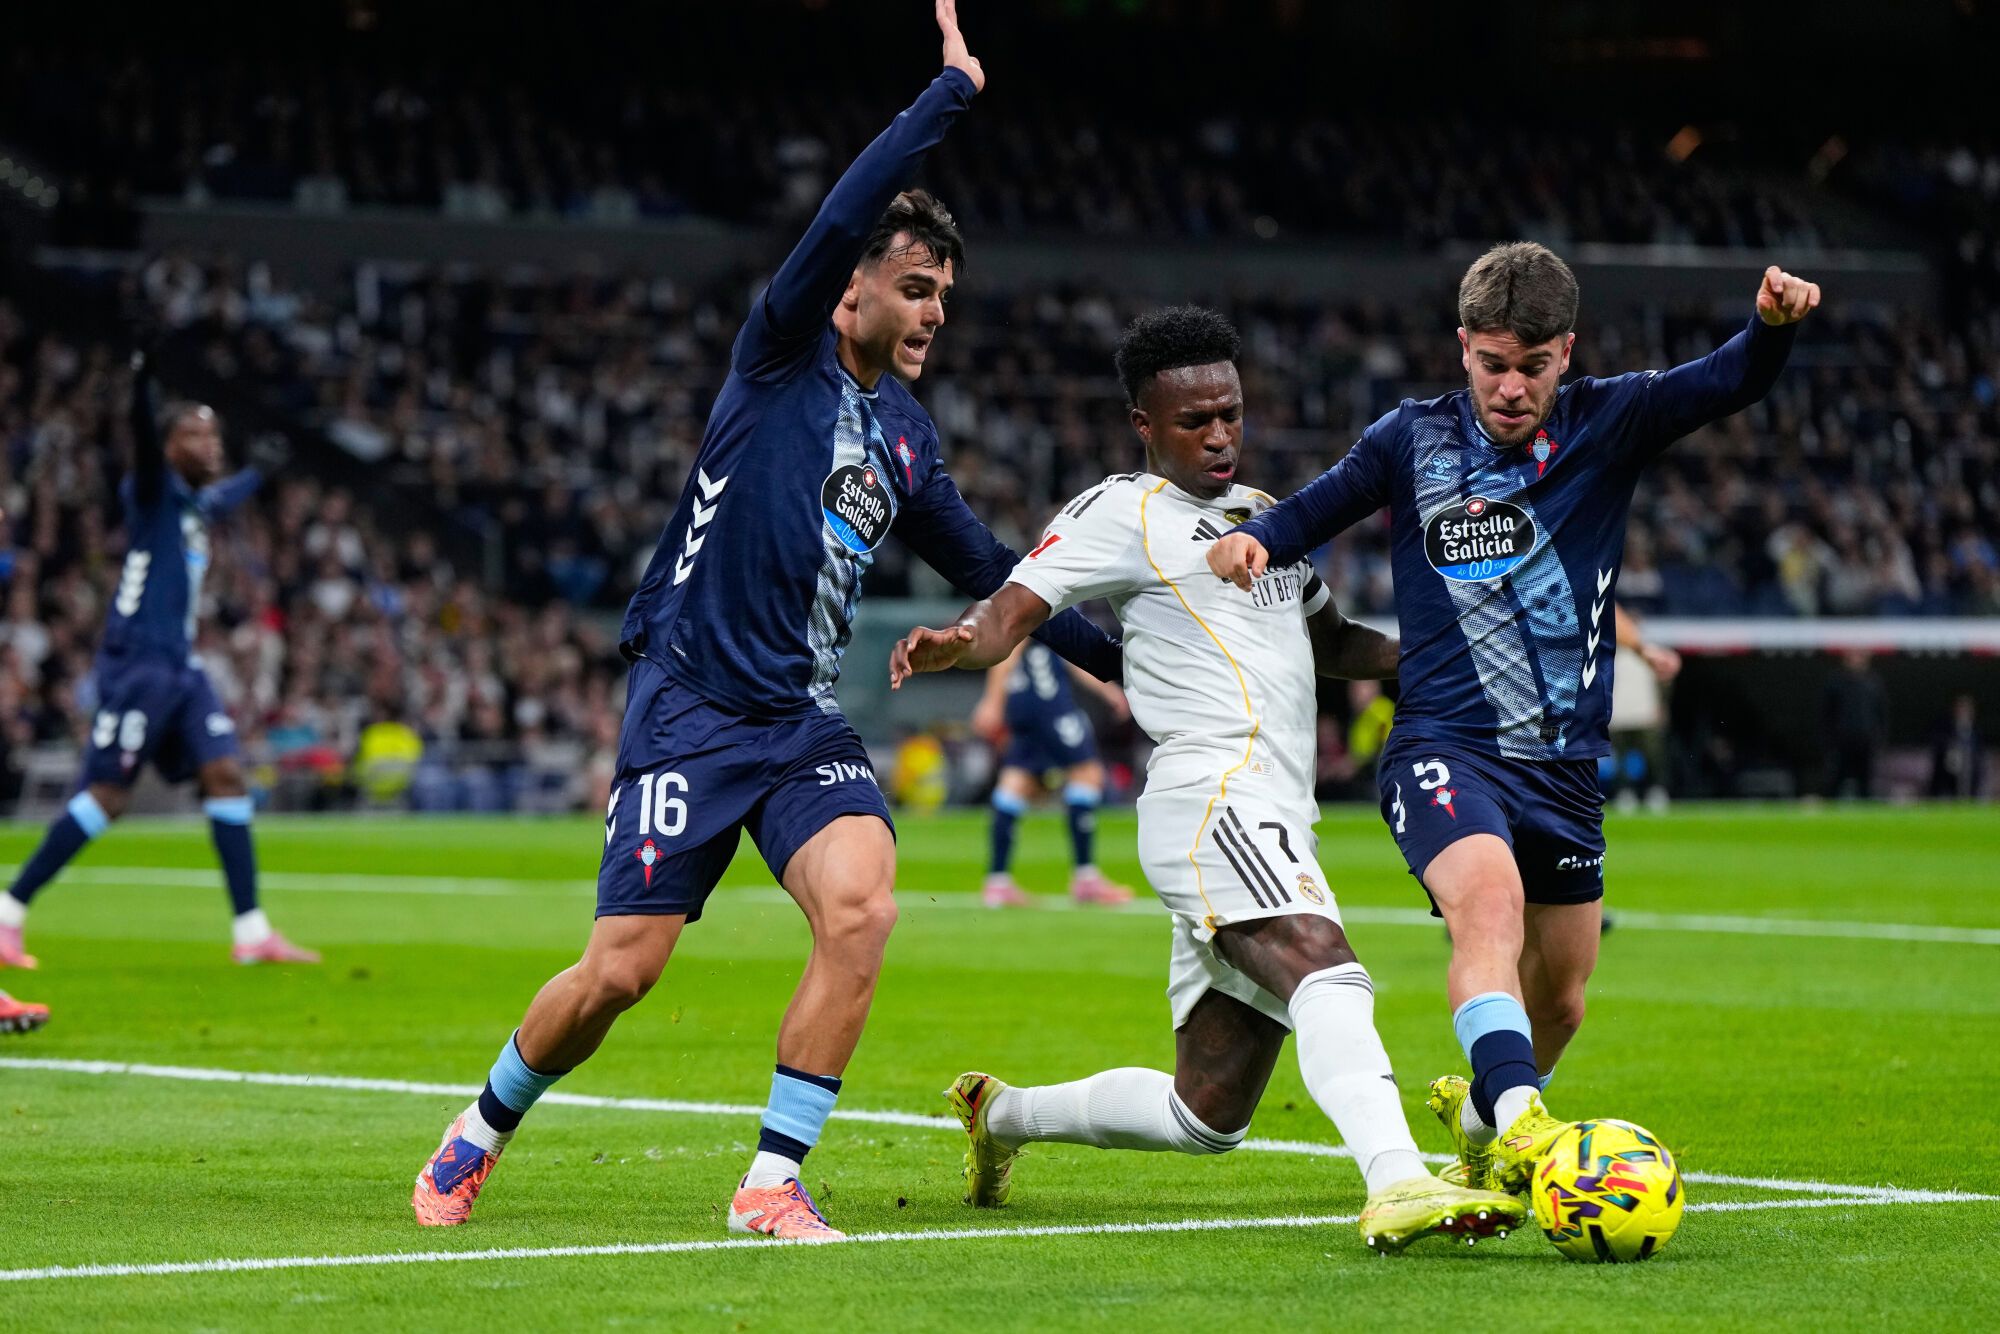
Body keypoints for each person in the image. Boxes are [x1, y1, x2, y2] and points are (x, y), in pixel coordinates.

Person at [411, 2, 1122, 1241]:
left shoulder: (904, 436)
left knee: (863, 905)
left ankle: (769, 1179)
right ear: (847, 293)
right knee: (619, 973)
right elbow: (846, 213)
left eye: (944, 293)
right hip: (690, 704)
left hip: (795, 721)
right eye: (914, 286)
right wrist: (944, 98)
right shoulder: (778, 355)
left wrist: (1117, 664)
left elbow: (1000, 569)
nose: (934, 311)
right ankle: (480, 1126)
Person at [892, 307, 1524, 1252]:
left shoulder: (1262, 518)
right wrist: (960, 645)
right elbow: (1011, 610)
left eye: (1230, 412)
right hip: (1211, 798)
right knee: (1328, 967)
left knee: (1208, 1113)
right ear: (1145, 424)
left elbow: (1330, 641)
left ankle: (1003, 1114)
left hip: (1277, 808)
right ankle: (1397, 1182)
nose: (1220, 433)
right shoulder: (1123, 512)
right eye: (1195, 421)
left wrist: (1438, 654)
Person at [1209, 245, 1819, 1192]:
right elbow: (1312, 510)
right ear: (1463, 348)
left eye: (1531, 366)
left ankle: (1488, 1131)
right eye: (1493, 363)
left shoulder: (1609, 421)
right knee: (1485, 910)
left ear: (1566, 352)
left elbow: (1728, 379)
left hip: (1566, 768)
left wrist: (1772, 327)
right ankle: (1531, 1127)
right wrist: (1254, 538)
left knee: (1564, 1000)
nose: (1509, 387)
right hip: (1443, 748)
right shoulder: (1410, 439)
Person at [0, 353, 315, 972]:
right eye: (194, 434)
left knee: (226, 776)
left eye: (214, 434)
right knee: (108, 796)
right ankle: (8, 913)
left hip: (182, 666)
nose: (210, 445)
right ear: (170, 447)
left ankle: (251, 932)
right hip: (138, 662)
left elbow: (222, 500)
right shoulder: (151, 491)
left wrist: (259, 474)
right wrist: (141, 393)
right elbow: (143, 448)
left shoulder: (195, 508)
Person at [973, 641, 1134, 907]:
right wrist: (991, 701)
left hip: (1024, 702)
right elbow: (1012, 644)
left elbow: (1066, 650)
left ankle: (997, 882)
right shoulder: (1042, 598)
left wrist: (1105, 690)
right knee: (1087, 773)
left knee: (1016, 783)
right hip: (1047, 701)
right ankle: (1086, 878)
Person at [1605, 605, 1682, 812]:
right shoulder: (1610, 652)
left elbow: (1663, 682)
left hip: (1644, 712)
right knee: (1620, 758)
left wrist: (1661, 706)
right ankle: (1624, 792)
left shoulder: (1649, 652)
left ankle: (1657, 791)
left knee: (1653, 756)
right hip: (1619, 713)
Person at [1821, 650, 1886, 799]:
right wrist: (1828, 741)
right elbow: (1826, 715)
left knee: (1866, 781)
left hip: (1866, 739)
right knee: (1836, 779)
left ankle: (1867, 813)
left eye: (1860, 656)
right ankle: (1829, 810)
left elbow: (1881, 714)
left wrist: (1879, 739)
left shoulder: (1874, 682)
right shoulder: (1836, 682)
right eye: (1853, 656)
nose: (1856, 660)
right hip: (1842, 740)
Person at [1927, 693, 1985, 799]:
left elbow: (1978, 752)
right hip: (1949, 773)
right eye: (1961, 707)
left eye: (1967, 708)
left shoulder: (1977, 730)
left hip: (1969, 771)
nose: (1964, 711)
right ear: (1955, 710)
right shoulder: (1945, 727)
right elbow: (1938, 746)